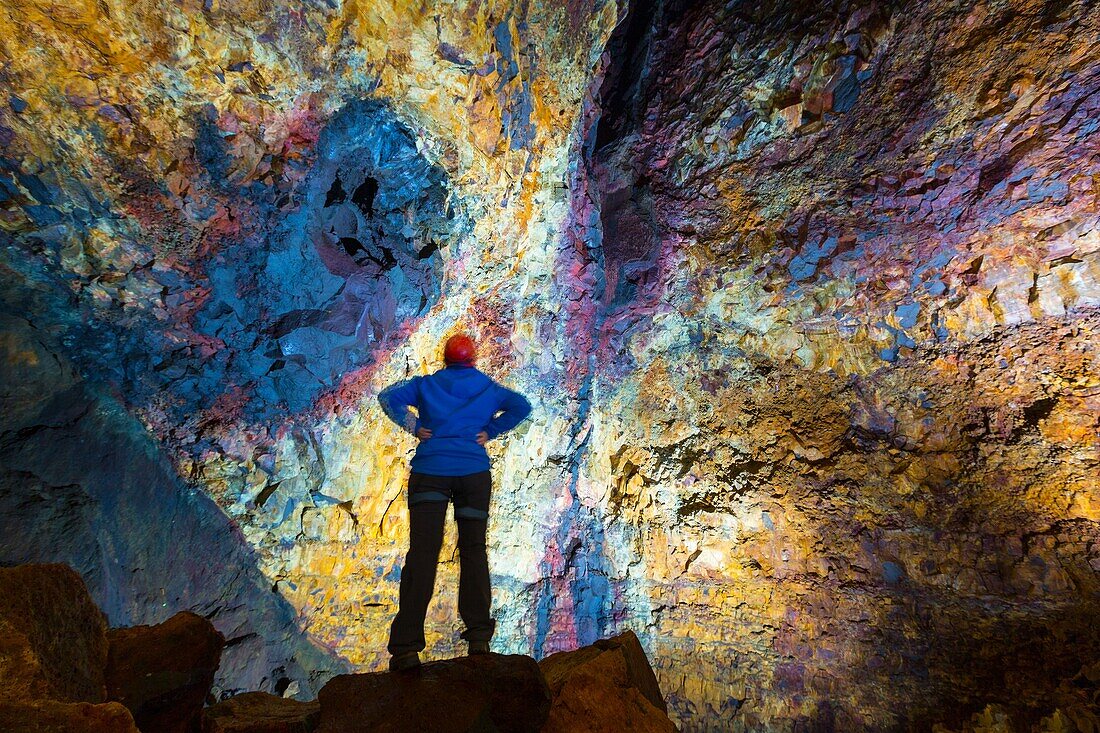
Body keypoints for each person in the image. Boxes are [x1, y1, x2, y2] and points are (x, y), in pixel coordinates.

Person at [377, 332, 532, 671]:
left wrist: (414, 425)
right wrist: (490, 431)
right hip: (472, 475)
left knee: (423, 554)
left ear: (444, 358)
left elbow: (388, 397)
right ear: (473, 359)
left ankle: (405, 649)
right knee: (474, 550)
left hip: (430, 471)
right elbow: (522, 406)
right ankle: (478, 637)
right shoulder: (488, 388)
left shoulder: (426, 385)